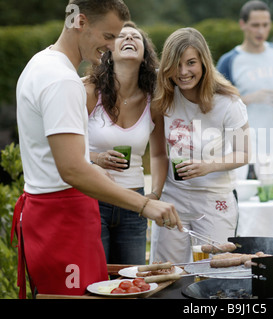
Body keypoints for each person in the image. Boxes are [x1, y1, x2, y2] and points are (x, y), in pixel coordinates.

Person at [12, 0, 181, 298]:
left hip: (56, 213)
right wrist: (144, 204)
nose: (112, 45)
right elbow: (73, 168)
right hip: (62, 216)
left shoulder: (41, 62)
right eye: (108, 36)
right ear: (80, 22)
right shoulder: (62, 80)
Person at [150, 27, 250, 263]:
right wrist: (155, 195)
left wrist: (207, 166)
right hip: (173, 199)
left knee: (212, 272)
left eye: (191, 63)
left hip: (214, 200)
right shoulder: (163, 97)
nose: (183, 72)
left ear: (204, 62)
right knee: (167, 273)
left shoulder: (228, 102)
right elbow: (158, 154)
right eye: (176, 64)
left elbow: (244, 153)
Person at [83, 21, 165, 265]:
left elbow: (160, 154)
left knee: (132, 280)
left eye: (136, 37)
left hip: (134, 204)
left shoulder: (154, 99)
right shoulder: (88, 91)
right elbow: (65, 149)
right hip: (93, 199)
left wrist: (154, 195)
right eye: (122, 36)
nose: (129, 38)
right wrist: (96, 158)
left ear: (145, 55)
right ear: (109, 51)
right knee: (97, 278)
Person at [217, 0, 273, 181]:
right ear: (243, 24)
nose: (261, 31)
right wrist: (250, 98)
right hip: (249, 148)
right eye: (255, 25)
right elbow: (216, 104)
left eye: (265, 25)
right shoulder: (229, 60)